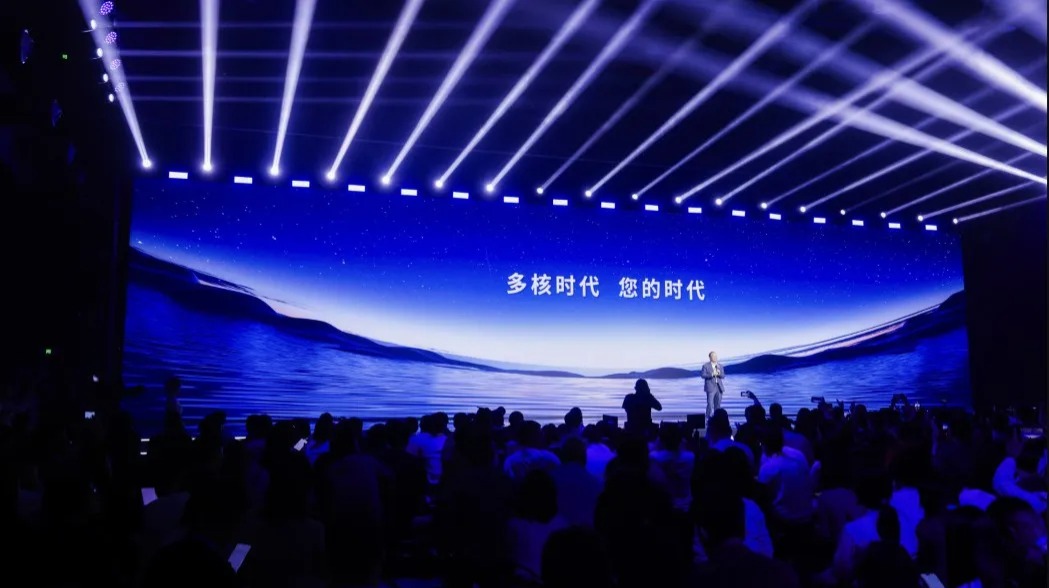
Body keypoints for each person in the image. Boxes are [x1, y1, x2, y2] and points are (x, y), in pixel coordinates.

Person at [701, 351, 726, 419]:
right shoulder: (705, 366)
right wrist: (711, 374)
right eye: (713, 356)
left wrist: (719, 374)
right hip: (710, 387)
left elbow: (723, 376)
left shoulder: (720, 366)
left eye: (716, 356)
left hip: (719, 387)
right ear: (710, 357)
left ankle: (717, 419)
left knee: (718, 405)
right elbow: (703, 375)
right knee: (710, 404)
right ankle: (707, 419)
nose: (715, 357)